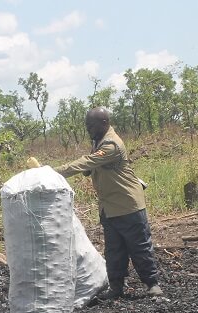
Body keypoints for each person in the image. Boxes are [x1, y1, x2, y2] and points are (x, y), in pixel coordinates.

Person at [55, 107, 163, 299]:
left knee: (139, 247)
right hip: (109, 207)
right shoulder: (98, 141)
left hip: (127, 205)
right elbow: (89, 169)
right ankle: (116, 287)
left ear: (104, 123)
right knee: (114, 251)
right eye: (87, 125)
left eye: (91, 125)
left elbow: (86, 163)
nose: (88, 129)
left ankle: (152, 284)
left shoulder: (111, 144)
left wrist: (53, 171)